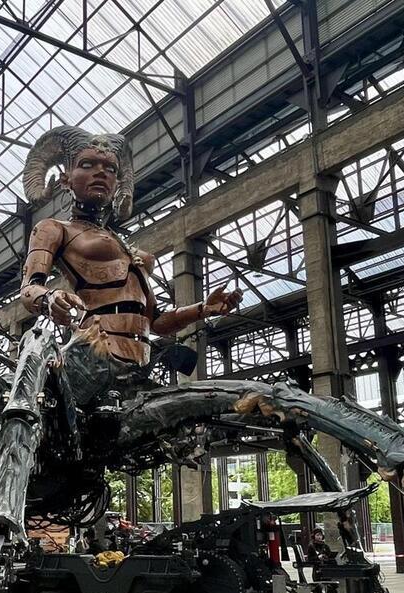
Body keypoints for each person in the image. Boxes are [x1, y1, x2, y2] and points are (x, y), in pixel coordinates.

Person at [18, 127, 241, 407]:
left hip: (139, 362)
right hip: (92, 356)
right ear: (66, 179)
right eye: (87, 165)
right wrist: (49, 298)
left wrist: (202, 310)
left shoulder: (126, 248)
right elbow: (28, 287)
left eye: (110, 168)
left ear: (117, 182)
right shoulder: (52, 228)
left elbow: (156, 321)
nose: (101, 172)